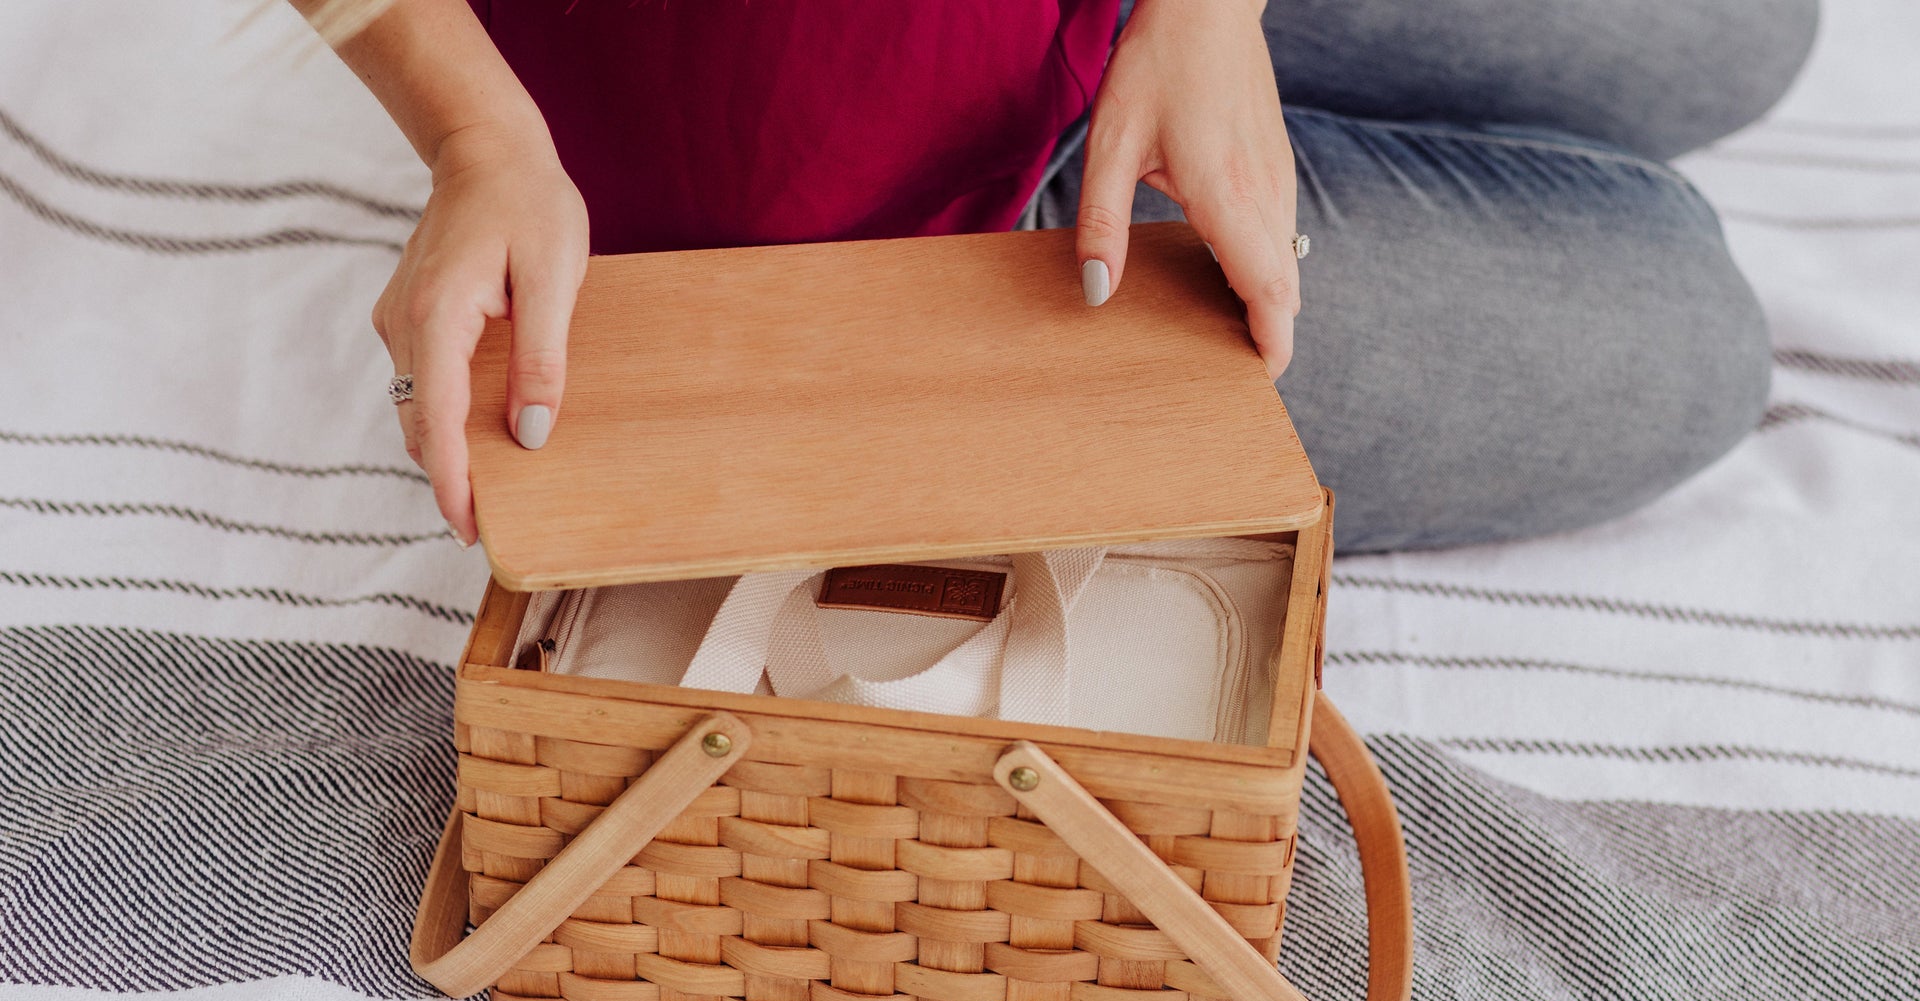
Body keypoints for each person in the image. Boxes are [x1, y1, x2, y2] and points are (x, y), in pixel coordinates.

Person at [298, 0, 1817, 553]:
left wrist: (1212, 15)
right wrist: (478, 129)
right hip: (843, 200)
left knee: (1746, 23)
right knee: (1689, 332)